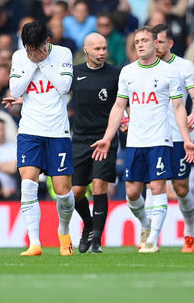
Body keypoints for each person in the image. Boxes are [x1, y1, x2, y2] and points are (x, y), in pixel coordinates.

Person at [91, 26, 194, 253]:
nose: (139, 44)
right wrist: (107, 138)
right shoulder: (128, 72)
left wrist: (186, 138)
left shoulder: (169, 72)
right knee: (132, 193)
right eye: (137, 41)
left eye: (144, 40)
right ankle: (145, 224)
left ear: (154, 43)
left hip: (161, 139)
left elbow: (178, 107)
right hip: (135, 141)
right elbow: (119, 106)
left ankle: (152, 240)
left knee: (158, 187)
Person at [2, 20, 75, 256]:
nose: (31, 53)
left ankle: (63, 230)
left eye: (36, 48)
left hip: (57, 131)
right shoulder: (20, 56)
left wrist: (42, 63)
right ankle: (35, 243)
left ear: (48, 41)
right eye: (28, 49)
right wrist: (33, 63)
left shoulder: (63, 53)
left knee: (63, 192)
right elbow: (15, 90)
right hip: (30, 130)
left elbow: (64, 85)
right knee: (27, 185)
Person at [152, 24, 194, 253]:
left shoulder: (184, 67)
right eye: (153, 42)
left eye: (160, 42)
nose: (156, 46)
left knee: (181, 188)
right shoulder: (142, 67)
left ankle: (190, 232)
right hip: (151, 137)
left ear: (170, 43)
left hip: (176, 136)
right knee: (154, 186)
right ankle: (150, 236)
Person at [69, 33, 120, 254]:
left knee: (99, 185)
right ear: (86, 50)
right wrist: (25, 99)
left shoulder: (115, 74)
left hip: (104, 138)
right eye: (97, 49)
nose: (101, 53)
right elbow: (52, 94)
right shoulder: (74, 73)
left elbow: (123, 102)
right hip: (80, 139)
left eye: (104, 48)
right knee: (77, 192)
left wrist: (126, 120)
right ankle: (88, 225)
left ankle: (97, 241)